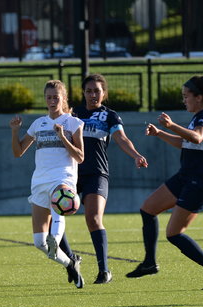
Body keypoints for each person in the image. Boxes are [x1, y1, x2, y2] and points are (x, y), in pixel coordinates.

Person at [126, 75, 203, 290]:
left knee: (173, 233)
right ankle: (149, 263)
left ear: (199, 97)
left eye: (186, 96)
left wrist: (171, 125)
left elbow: (197, 137)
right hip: (185, 177)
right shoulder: (197, 116)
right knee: (148, 209)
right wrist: (160, 132)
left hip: (199, 181)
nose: (184, 100)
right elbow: (186, 143)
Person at [70, 73, 148, 284]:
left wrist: (136, 155)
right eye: (88, 91)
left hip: (97, 173)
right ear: (83, 93)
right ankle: (70, 260)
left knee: (94, 219)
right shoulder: (73, 114)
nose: (93, 95)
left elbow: (121, 138)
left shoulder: (109, 116)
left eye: (97, 91)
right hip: (71, 173)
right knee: (54, 216)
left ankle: (104, 271)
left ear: (104, 93)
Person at [10, 80, 86, 288]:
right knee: (39, 243)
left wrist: (62, 136)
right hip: (40, 182)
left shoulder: (73, 123)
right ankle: (70, 263)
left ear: (64, 98)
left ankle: (56, 237)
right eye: (49, 97)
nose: (52, 101)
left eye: (56, 97)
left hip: (63, 178)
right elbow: (18, 152)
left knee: (59, 204)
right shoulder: (38, 123)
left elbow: (80, 157)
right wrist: (15, 131)